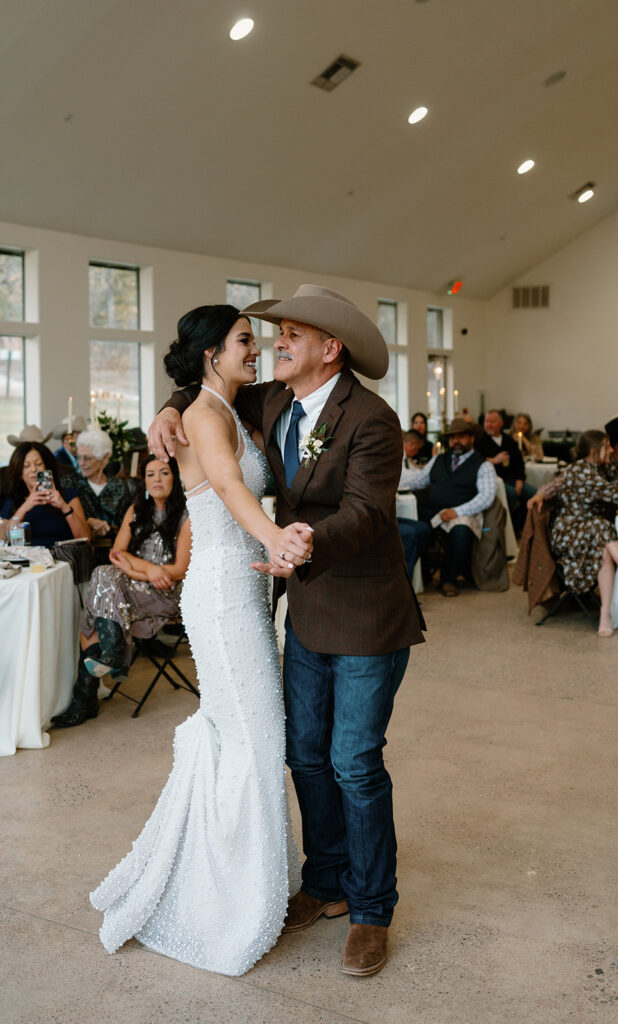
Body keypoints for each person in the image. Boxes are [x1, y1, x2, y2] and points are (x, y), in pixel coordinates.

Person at [149, 285, 425, 977]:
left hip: (364, 615)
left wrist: (298, 543)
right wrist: (166, 407)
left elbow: (365, 512)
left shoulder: (373, 418)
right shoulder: (270, 400)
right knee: (304, 755)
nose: (275, 343)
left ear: (330, 349)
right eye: (272, 335)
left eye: (291, 334)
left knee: (354, 764)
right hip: (301, 612)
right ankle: (326, 881)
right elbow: (206, 393)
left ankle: (370, 910)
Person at [90, 304, 314, 976]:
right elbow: (221, 482)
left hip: (246, 590)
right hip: (221, 594)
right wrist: (274, 535)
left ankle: (247, 880)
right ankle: (227, 900)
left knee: (243, 737)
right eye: (246, 341)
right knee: (258, 738)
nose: (259, 350)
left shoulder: (236, 407)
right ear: (213, 353)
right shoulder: (203, 417)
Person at [52, 454, 192, 727]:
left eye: (163, 473)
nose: (156, 480)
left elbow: (179, 570)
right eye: (150, 474)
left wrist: (142, 571)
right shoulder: (136, 509)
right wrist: (146, 570)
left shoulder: (187, 516)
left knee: (98, 594)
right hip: (131, 589)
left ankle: (86, 696)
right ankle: (111, 649)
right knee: (104, 572)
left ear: (175, 478)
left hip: (164, 593)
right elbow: (117, 553)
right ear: (144, 481)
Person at [530, 430, 618, 637]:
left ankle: (605, 614)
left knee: (603, 547)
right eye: (607, 447)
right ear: (594, 452)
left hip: (592, 534)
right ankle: (606, 613)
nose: (612, 449)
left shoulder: (602, 467)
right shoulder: (581, 471)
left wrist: (542, 491)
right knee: (601, 526)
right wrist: (540, 493)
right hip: (569, 534)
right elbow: (613, 493)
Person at [405, 417, 497, 596]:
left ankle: (449, 578)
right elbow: (418, 480)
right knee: (413, 527)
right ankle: (421, 575)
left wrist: (457, 511)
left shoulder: (483, 465)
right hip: (433, 510)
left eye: (461, 437)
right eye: (453, 437)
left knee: (461, 529)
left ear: (471, 438)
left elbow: (486, 497)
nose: (456, 441)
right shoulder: (438, 459)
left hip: (464, 511)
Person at [0, 442, 90, 547]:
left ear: (47, 467)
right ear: (20, 473)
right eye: (26, 466)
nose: (33, 469)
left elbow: (85, 539)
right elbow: (4, 540)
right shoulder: (13, 502)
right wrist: (25, 507)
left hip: (63, 558)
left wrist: (64, 507)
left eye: (38, 464)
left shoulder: (68, 496)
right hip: (29, 560)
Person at [65, 427, 130, 539]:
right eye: (79, 457)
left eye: (87, 458)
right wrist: (87, 522)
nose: (81, 463)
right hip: (80, 550)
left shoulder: (119, 486)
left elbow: (127, 523)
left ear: (104, 458)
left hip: (114, 549)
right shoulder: (70, 483)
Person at [477, 409, 535, 532]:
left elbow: (519, 463)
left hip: (512, 479)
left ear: (500, 424)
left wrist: (519, 481)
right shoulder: (479, 441)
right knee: (511, 493)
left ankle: (517, 525)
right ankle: (506, 529)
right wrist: (494, 460)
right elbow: (475, 461)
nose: (489, 424)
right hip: (494, 481)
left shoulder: (509, 441)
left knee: (534, 495)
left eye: (493, 421)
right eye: (487, 421)